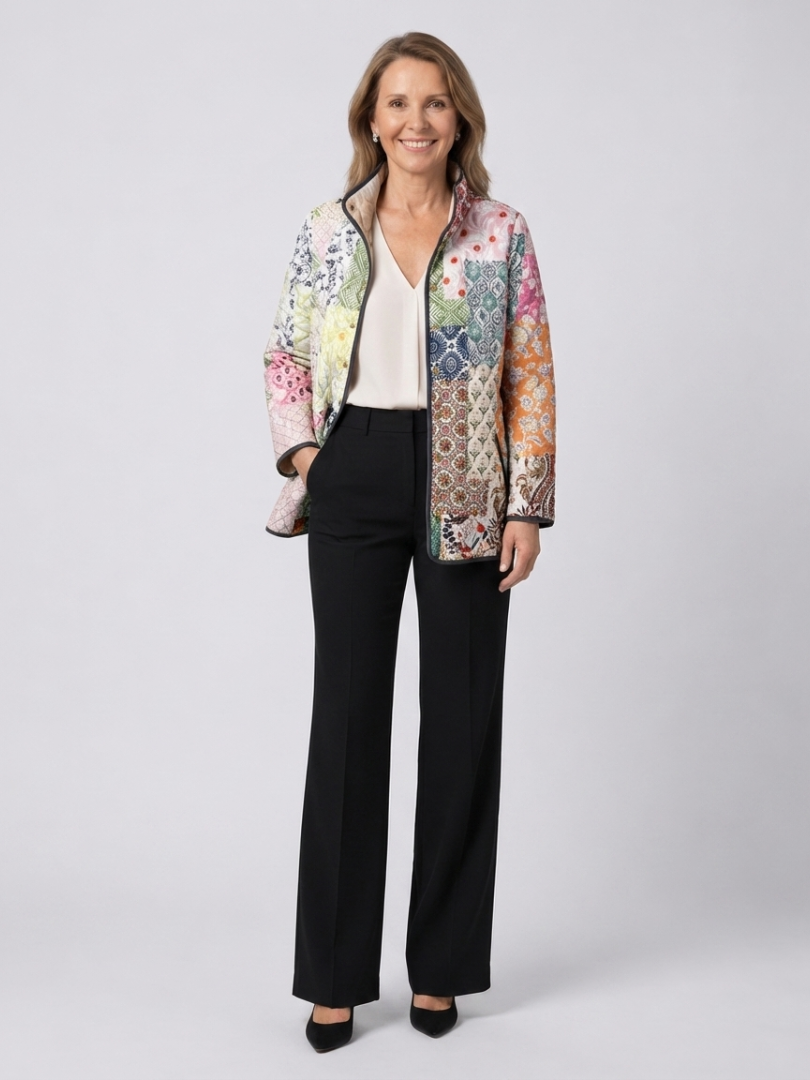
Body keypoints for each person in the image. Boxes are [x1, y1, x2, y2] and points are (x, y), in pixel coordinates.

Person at [263, 31, 556, 1052]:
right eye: (397, 103)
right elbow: (285, 352)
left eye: (435, 102)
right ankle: (334, 977)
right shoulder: (328, 230)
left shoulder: (500, 233)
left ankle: (442, 969)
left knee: (462, 721)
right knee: (347, 720)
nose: (416, 121)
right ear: (371, 118)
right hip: (355, 467)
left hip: (469, 476)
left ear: (458, 117)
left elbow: (530, 370)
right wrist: (309, 458)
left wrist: (526, 507)